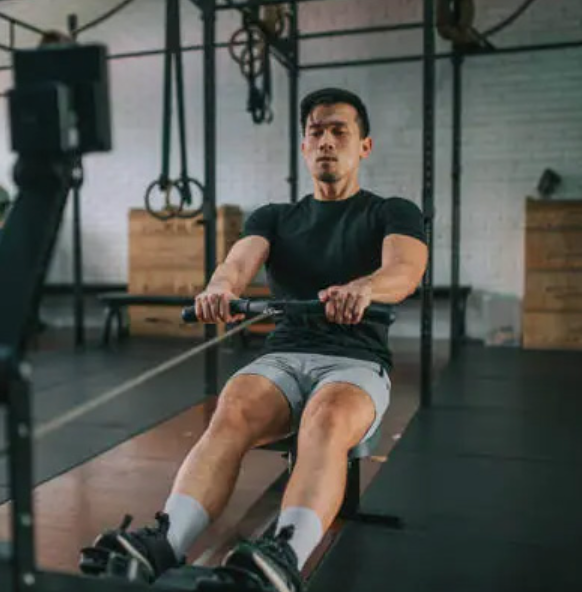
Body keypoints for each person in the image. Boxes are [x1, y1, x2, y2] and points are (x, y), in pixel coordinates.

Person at [82, 88, 428, 592]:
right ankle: (166, 540)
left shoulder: (391, 211)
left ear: (364, 147)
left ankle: (283, 555)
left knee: (327, 419)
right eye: (316, 132)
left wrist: (365, 288)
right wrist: (220, 289)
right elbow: (238, 263)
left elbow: (405, 269)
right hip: (284, 356)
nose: (326, 141)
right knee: (235, 405)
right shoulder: (275, 216)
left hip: (355, 361)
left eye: (339, 131)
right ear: (304, 148)